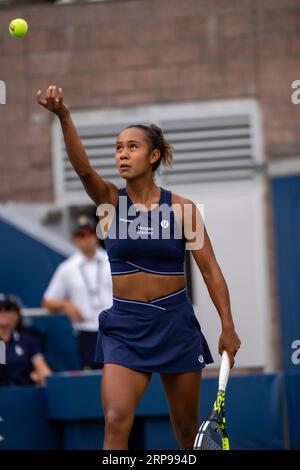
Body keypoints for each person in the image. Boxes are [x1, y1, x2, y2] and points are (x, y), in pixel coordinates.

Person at [37, 85, 241, 450]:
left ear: (154, 156)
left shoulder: (182, 209)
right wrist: (65, 117)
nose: (122, 154)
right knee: (115, 420)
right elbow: (84, 171)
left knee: (185, 427)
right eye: (118, 148)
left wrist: (227, 325)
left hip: (175, 324)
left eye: (132, 147)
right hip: (125, 329)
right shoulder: (108, 203)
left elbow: (211, 271)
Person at [42, 215, 113, 370]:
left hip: (113, 329)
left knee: (118, 376)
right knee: (90, 379)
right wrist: (67, 305)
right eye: (82, 235)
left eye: (90, 233)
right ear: (75, 239)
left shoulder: (112, 262)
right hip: (86, 332)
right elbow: (47, 301)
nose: (87, 238)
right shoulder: (67, 268)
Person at [0, 293, 52, 387]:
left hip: (25, 393)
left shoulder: (27, 341)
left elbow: (43, 369)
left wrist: (42, 378)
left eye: (7, 309)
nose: (3, 313)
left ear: (16, 315)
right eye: (0, 310)